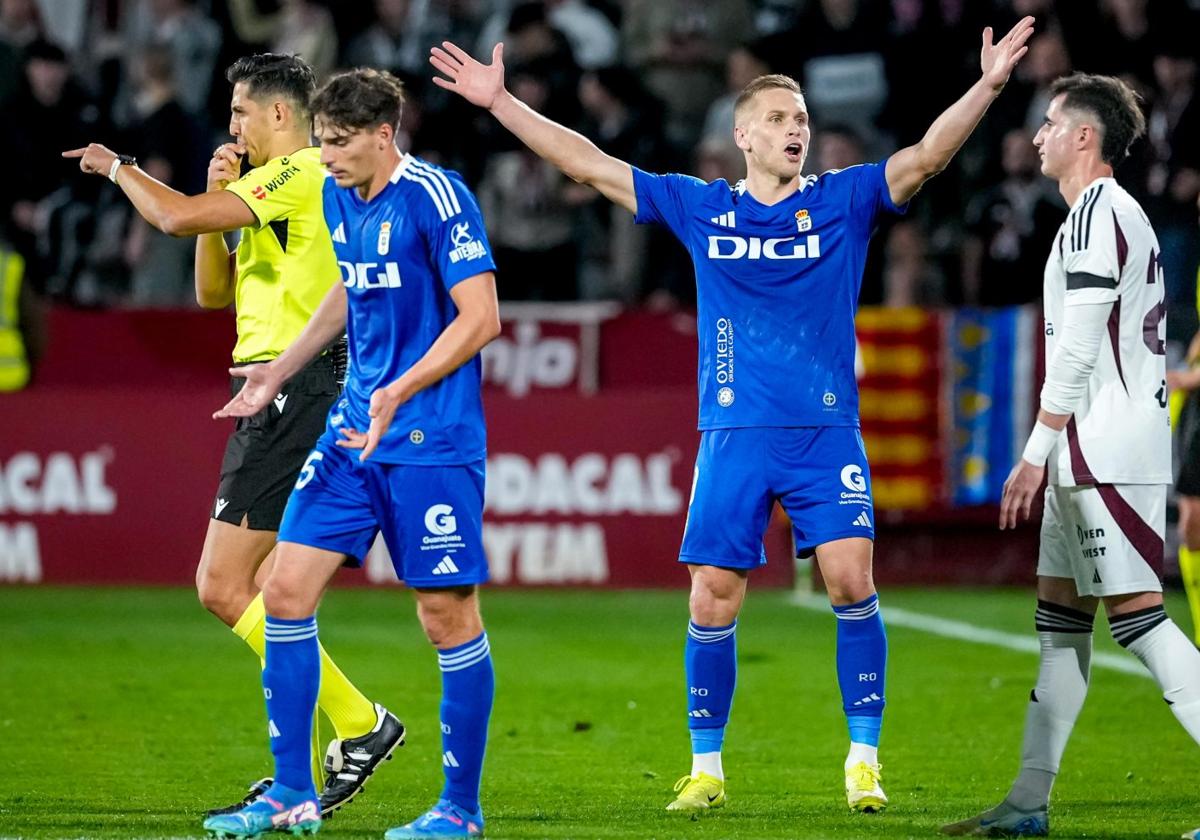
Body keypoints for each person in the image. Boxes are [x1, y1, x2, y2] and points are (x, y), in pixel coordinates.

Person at [429, 16, 1034, 814]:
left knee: (851, 580)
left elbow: (928, 156)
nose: (798, 131)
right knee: (712, 596)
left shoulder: (843, 201)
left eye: (804, 122)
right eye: (781, 120)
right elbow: (587, 164)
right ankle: (707, 768)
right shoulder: (699, 207)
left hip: (824, 432)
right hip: (733, 436)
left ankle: (863, 760)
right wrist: (503, 105)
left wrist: (988, 87)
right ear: (743, 133)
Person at [62, 53, 402, 818]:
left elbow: (172, 216)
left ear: (282, 114)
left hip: (299, 387)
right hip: (275, 387)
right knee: (273, 592)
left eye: (242, 112)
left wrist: (119, 169)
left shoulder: (303, 170)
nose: (233, 127)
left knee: (223, 586)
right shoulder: (269, 190)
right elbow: (212, 288)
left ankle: (357, 725)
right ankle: (346, 734)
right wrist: (220, 197)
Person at [204, 67, 500, 840]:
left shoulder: (438, 199)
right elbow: (349, 290)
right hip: (349, 433)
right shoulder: (338, 193)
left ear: (383, 134)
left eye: (339, 143)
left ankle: (459, 810)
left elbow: (481, 318)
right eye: (322, 140)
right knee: (288, 593)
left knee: (445, 617)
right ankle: (292, 793)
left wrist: (401, 388)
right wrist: (281, 368)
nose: (325, 156)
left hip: (430, 439)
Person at [942, 73, 1200, 839]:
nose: (1038, 135)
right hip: (1085, 451)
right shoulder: (1096, 216)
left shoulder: (1101, 214)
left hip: (1106, 451)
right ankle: (1026, 802)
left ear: (1085, 136)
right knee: (1060, 624)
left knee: (1140, 619)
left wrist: (1033, 452)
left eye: (1051, 123)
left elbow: (1083, 347)